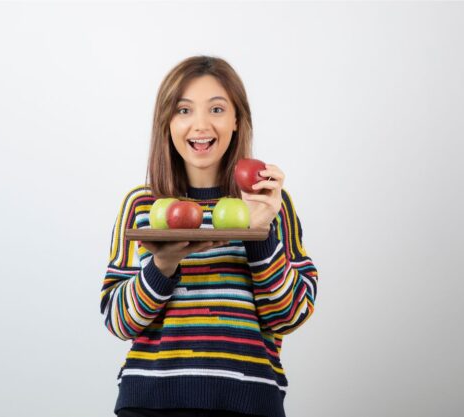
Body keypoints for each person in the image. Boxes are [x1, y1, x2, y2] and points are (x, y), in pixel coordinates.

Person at [100, 55, 319, 417]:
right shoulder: (142, 205)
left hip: (249, 403)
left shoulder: (272, 203)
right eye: (184, 111)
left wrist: (258, 229)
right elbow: (118, 320)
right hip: (151, 402)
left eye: (216, 109)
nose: (200, 125)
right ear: (166, 123)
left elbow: (290, 315)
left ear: (237, 120)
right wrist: (163, 264)